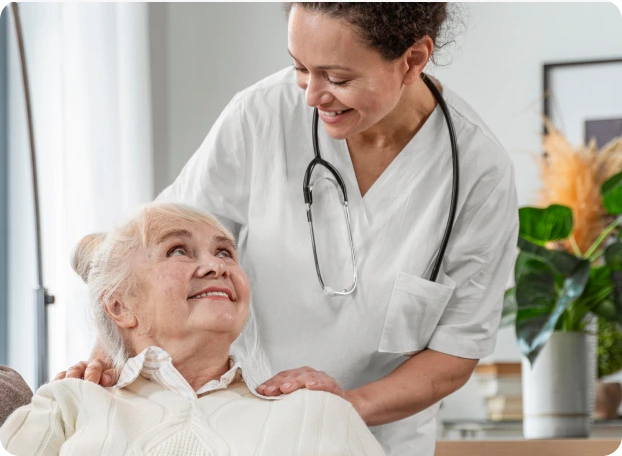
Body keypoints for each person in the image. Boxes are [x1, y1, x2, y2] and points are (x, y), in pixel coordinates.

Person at [60, 3, 519, 455]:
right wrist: (106, 358)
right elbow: (151, 248)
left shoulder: (478, 175)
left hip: (372, 436)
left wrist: (337, 407)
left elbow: (453, 356)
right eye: (300, 67)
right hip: (234, 422)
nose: (310, 95)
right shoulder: (261, 115)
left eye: (338, 79)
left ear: (413, 60)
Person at [1, 203, 385, 455]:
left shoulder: (316, 410)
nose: (217, 266)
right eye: (178, 251)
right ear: (120, 305)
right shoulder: (69, 404)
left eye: (224, 252)